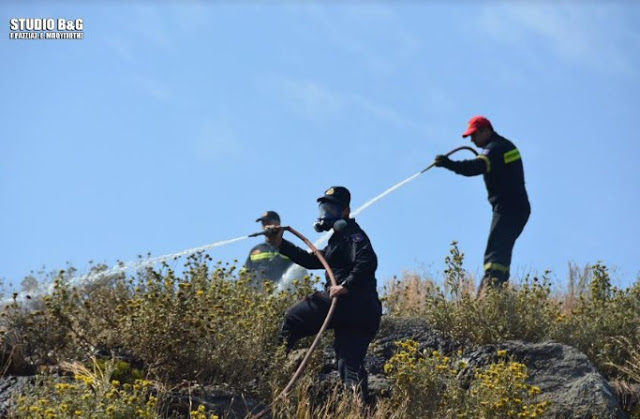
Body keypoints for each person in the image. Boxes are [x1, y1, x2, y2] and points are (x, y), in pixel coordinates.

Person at [266, 186, 382, 402]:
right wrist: (280, 244)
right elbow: (313, 260)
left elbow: (368, 260)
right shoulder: (337, 239)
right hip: (363, 313)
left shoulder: (352, 234)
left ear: (345, 211)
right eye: (324, 209)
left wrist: (346, 285)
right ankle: (360, 410)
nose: (326, 215)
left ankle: (267, 372)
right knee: (349, 366)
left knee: (293, 319)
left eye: (332, 209)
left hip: (349, 302)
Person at [434, 116, 531, 294]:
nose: (471, 140)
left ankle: (491, 293)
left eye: (474, 135)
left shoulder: (495, 148)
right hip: (514, 208)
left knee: (495, 253)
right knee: (499, 249)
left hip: (509, 208)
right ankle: (495, 291)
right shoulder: (502, 146)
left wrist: (448, 164)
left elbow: (475, 167)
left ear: (486, 130)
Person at [244, 211, 304, 289]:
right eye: (263, 223)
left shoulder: (289, 248)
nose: (266, 226)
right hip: (260, 296)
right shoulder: (256, 250)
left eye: (268, 222)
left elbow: (301, 272)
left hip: (285, 295)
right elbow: (245, 274)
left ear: (278, 224)